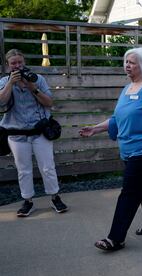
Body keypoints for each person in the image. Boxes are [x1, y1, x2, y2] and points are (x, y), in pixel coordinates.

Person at [79, 47, 142, 251]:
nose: (127, 65)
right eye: (126, 61)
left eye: (132, 62)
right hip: (129, 149)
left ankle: (115, 238)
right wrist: (96, 129)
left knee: (130, 192)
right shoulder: (127, 89)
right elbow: (117, 118)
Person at [0, 49, 68, 217]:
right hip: (16, 134)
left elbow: (49, 102)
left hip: (40, 131)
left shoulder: (38, 79)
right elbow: (1, 102)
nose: (17, 66)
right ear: (8, 66)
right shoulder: (3, 81)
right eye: (13, 63)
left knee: (47, 167)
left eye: (20, 62)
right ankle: (27, 201)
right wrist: (10, 83)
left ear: (24, 62)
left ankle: (54, 197)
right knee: (23, 169)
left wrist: (33, 88)